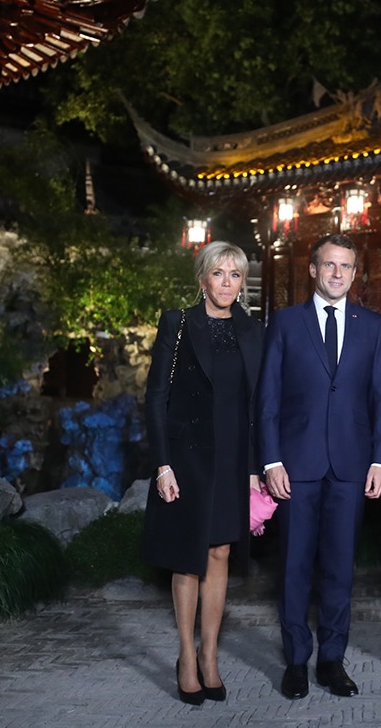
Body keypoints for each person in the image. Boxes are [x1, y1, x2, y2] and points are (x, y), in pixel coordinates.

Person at [258, 233, 381, 700]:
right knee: (294, 566)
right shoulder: (285, 322)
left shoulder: (371, 325)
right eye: (329, 265)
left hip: (352, 465)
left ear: (355, 274)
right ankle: (296, 660)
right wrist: (271, 459)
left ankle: (332, 660)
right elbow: (268, 397)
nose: (338, 273)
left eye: (346, 266)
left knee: (339, 568)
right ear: (313, 270)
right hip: (296, 465)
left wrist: (380, 459)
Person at [142, 241, 265, 705]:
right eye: (219, 273)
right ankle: (185, 657)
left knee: (220, 553)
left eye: (235, 275)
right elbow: (156, 397)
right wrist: (162, 465)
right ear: (202, 279)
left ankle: (209, 654)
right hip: (186, 458)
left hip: (232, 458)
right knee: (188, 557)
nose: (227, 283)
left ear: (242, 283)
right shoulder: (177, 324)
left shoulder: (253, 330)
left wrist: (254, 468)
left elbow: (257, 405)